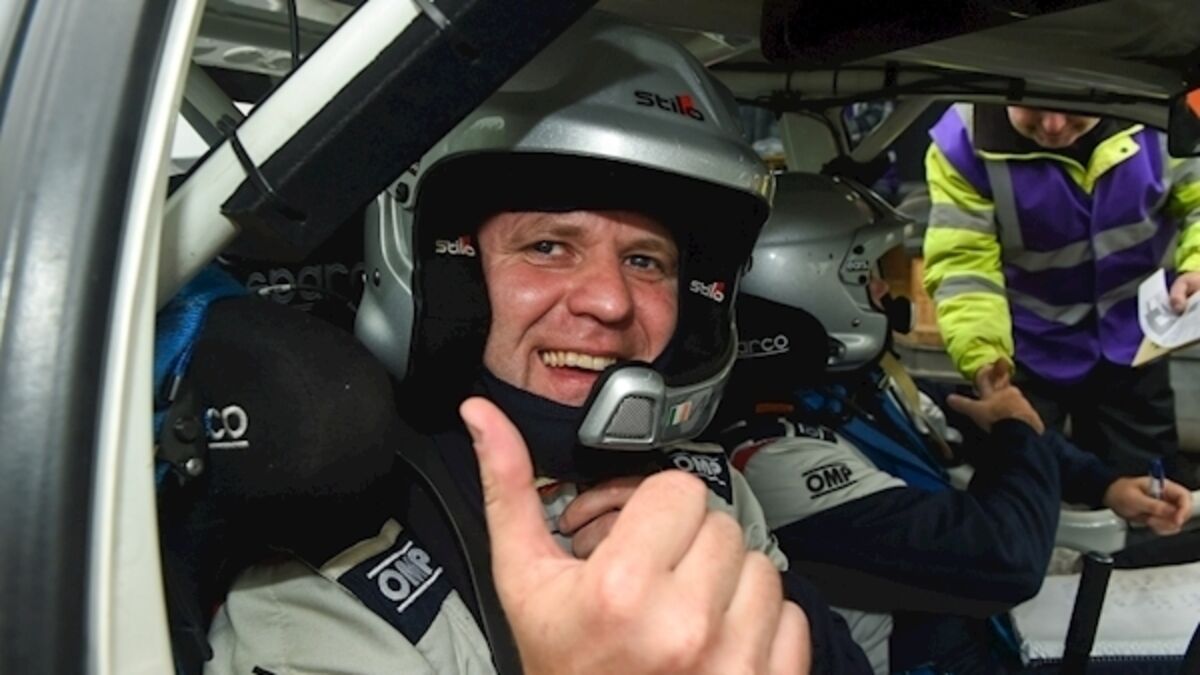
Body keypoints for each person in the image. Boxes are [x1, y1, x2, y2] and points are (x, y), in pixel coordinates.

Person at [203, 14, 870, 675]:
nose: (609, 301)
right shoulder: (326, 584)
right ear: (446, 273)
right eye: (548, 247)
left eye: (645, 261)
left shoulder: (708, 491)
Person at [711, 172, 1193, 674]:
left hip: (975, 641)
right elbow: (1006, 556)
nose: (882, 287)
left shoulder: (858, 388)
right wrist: (1015, 429)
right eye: (867, 273)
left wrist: (1106, 484)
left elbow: (979, 422)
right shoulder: (773, 459)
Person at [922, 104, 1200, 483]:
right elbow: (965, 268)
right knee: (1022, 486)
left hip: (1135, 342)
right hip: (1026, 351)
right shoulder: (961, 143)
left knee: (1150, 490)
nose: (1053, 126)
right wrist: (984, 359)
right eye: (1031, 106)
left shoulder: (1164, 114)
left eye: (1074, 108)